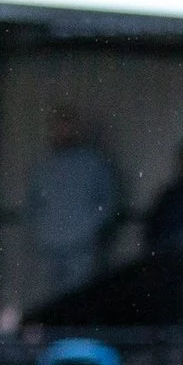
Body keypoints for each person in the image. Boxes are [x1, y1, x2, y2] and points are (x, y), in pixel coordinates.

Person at [25, 107, 120, 300]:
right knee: (50, 302)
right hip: (50, 246)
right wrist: (41, 231)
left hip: (81, 248)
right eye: (59, 127)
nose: (63, 132)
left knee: (80, 300)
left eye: (68, 127)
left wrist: (89, 230)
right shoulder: (43, 167)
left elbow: (108, 202)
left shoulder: (93, 163)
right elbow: (32, 205)